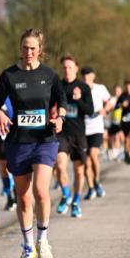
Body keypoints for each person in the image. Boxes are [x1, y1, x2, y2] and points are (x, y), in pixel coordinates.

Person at [0, 28, 66, 258]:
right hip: (18, 141)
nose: (29, 52)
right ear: (20, 48)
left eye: (33, 48)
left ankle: (43, 241)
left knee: (41, 192)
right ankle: (27, 246)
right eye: (25, 47)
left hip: (44, 140)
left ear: (40, 50)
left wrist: (60, 118)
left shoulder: (49, 75)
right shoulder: (9, 76)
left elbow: (61, 101)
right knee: (23, 198)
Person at [54, 56, 94, 218]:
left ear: (76, 69)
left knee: (79, 171)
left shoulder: (83, 87)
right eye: (64, 67)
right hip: (61, 133)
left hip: (78, 134)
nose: (67, 70)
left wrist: (78, 100)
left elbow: (90, 111)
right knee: (60, 165)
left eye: (70, 67)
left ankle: (76, 202)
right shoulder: (57, 86)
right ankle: (66, 195)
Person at [80, 66, 111, 198]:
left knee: (93, 155)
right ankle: (91, 187)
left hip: (96, 127)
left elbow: (109, 102)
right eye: (84, 75)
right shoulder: (79, 89)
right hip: (83, 128)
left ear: (93, 76)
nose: (86, 77)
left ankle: (97, 181)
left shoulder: (100, 88)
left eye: (88, 74)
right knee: (86, 162)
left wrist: (105, 109)